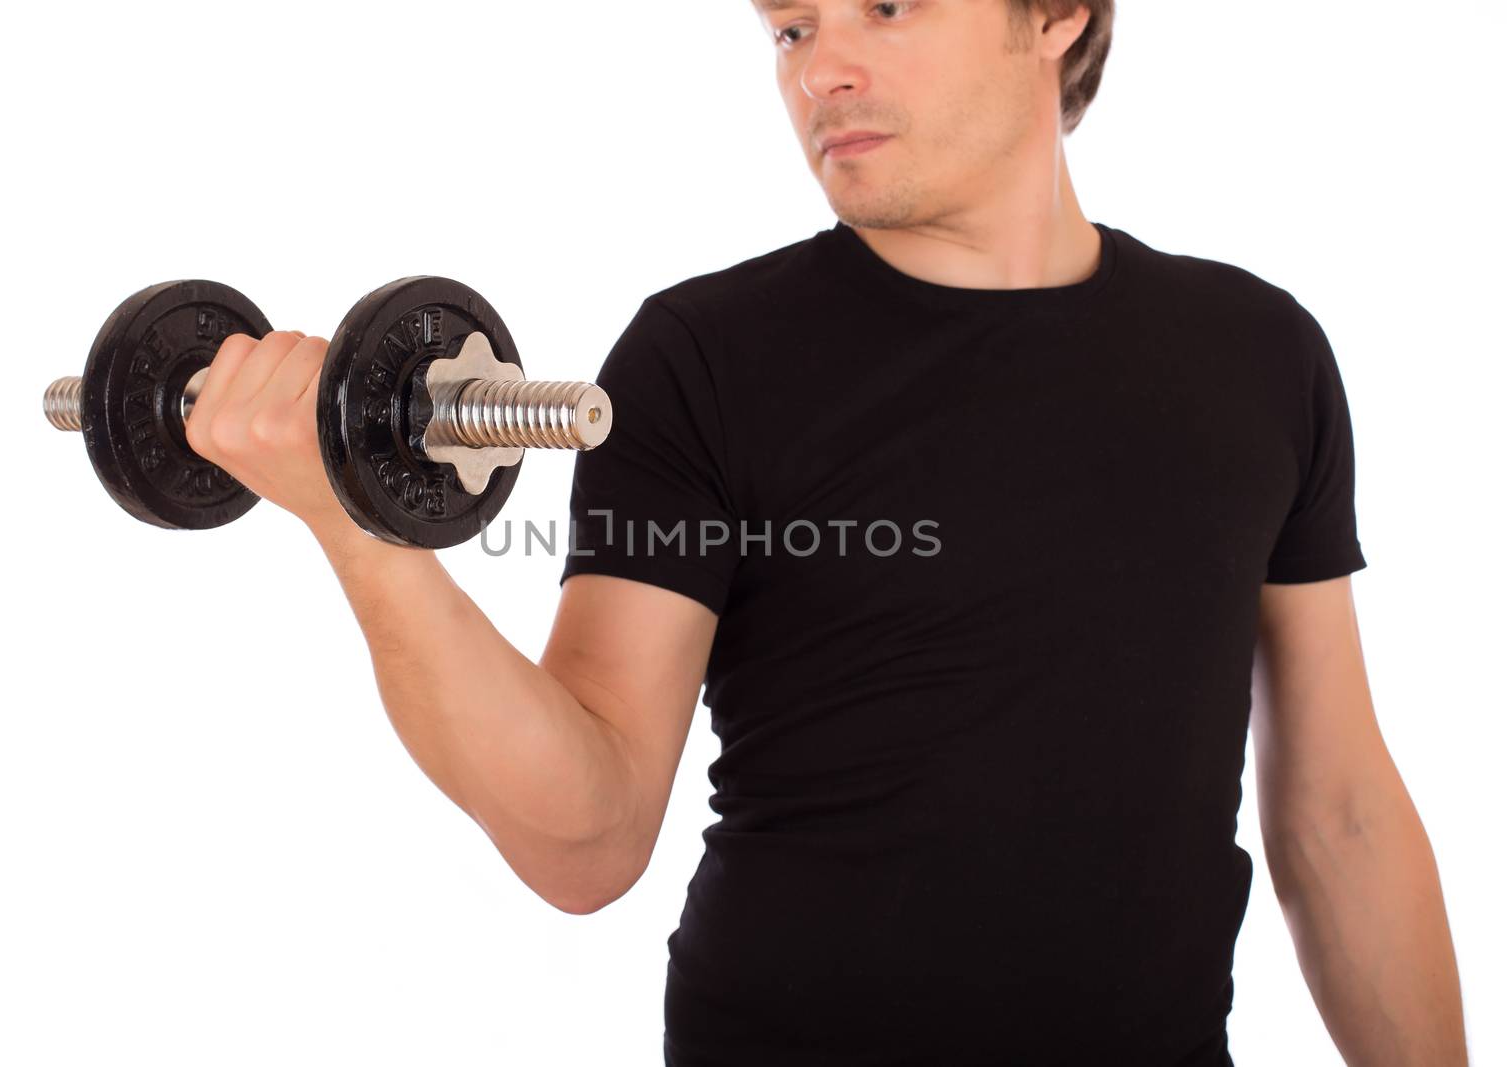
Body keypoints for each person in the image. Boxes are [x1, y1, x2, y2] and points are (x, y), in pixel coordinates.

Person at [183, 1, 1468, 1063]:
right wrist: (362, 527)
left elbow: (1339, 812)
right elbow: (585, 835)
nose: (822, 72)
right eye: (790, 31)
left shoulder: (1258, 353)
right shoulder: (702, 359)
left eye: (886, 10)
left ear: (1056, 17)